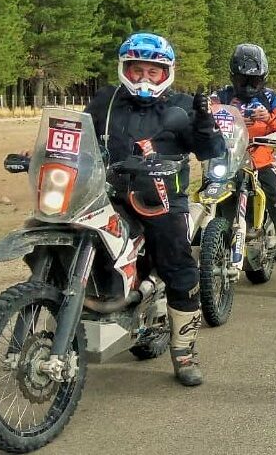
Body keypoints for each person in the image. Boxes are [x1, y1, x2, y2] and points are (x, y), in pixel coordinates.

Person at [84, 32, 225, 386]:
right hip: (108, 195)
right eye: (136, 71)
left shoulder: (181, 106)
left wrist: (205, 127)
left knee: (178, 265)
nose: (144, 79)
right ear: (124, 70)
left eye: (154, 72)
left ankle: (184, 352)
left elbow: (209, 151)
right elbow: (80, 135)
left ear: (167, 73)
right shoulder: (106, 100)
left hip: (163, 201)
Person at [213, 43, 276, 300]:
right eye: (243, 78)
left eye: (253, 79)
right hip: (231, 161)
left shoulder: (272, 99)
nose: (248, 84)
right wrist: (222, 122)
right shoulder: (220, 97)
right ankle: (207, 264)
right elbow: (202, 121)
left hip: (262, 160)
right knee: (207, 203)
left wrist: (269, 119)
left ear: (262, 77)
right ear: (234, 75)